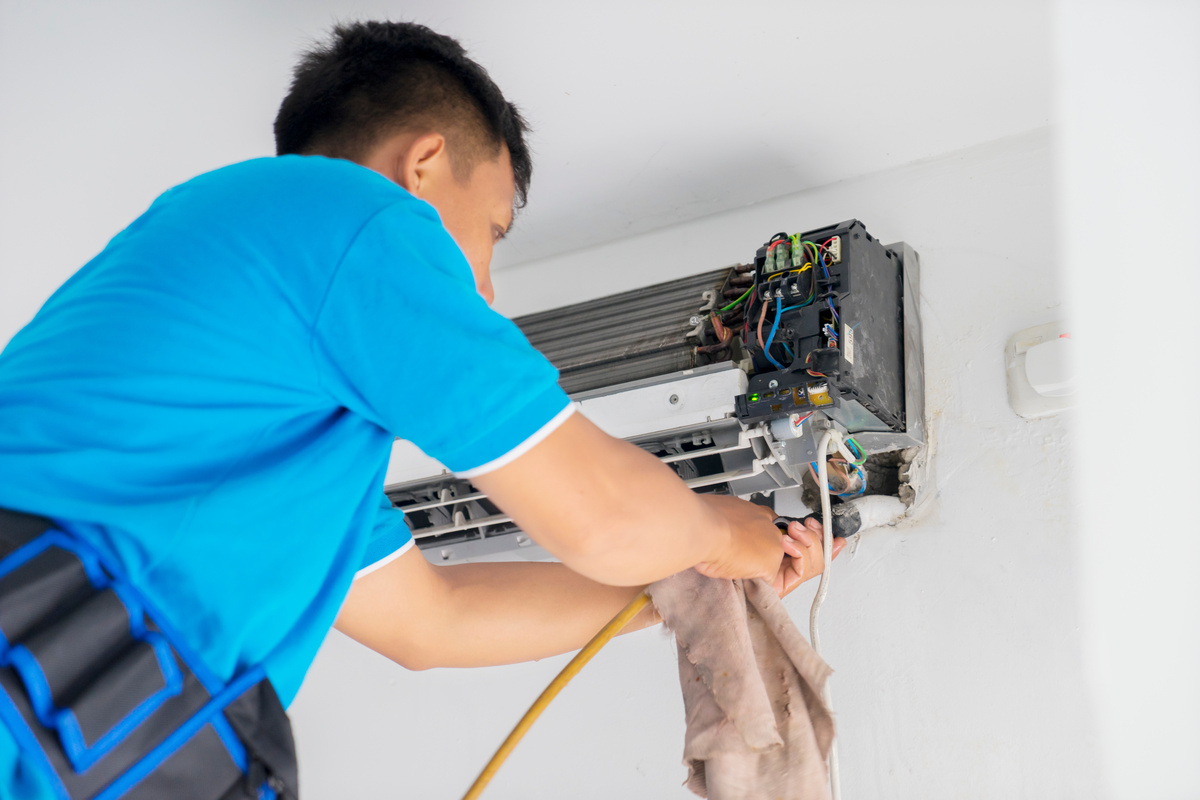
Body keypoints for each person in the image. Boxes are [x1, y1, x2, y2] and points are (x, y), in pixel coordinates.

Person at [0, 20, 842, 799]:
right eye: (492, 229)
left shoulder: (285, 440)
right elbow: (605, 520)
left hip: (81, 721)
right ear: (424, 162)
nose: (482, 289)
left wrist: (683, 584)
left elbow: (430, 622)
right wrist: (728, 532)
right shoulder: (343, 218)